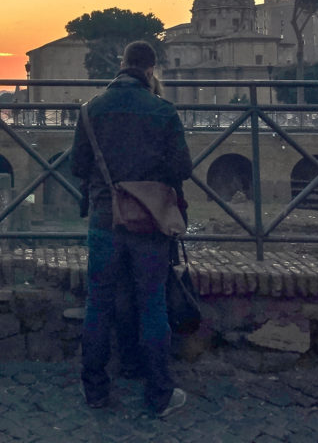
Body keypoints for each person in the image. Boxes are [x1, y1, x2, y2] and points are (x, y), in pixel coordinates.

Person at [71, 40, 192, 415]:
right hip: (150, 223)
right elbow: (182, 169)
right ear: (151, 69)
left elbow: (77, 166)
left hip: (105, 220)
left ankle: (95, 391)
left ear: (122, 65)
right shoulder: (163, 111)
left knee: (99, 303)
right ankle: (158, 394)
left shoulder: (90, 110)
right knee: (152, 303)